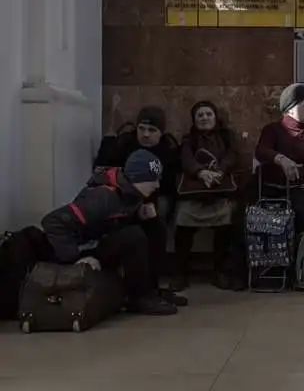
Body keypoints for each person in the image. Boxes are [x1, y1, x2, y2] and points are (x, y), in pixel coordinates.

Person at [40, 150, 178, 316]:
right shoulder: (102, 197)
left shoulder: (133, 192)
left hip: (102, 242)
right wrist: (76, 258)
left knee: (155, 229)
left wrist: (143, 217)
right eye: (152, 180)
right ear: (136, 178)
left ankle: (150, 290)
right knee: (134, 236)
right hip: (83, 251)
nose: (157, 185)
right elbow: (52, 221)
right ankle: (138, 298)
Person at [92, 106, 184, 306]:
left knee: (157, 230)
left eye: (151, 130)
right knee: (139, 234)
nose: (145, 134)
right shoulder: (124, 145)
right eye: (142, 128)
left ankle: (153, 287)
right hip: (121, 200)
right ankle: (139, 293)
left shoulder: (166, 151)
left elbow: (168, 186)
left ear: (161, 132)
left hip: (151, 199)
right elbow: (103, 173)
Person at [173, 101, 240, 291]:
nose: (204, 118)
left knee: (227, 219)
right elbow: (186, 159)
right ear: (194, 120)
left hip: (220, 189)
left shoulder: (226, 137)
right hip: (195, 191)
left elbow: (232, 155)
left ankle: (219, 270)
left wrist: (219, 171)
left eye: (208, 114)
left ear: (215, 117)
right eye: (200, 115)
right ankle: (180, 271)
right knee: (183, 220)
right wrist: (201, 172)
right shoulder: (189, 139)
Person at [255, 84, 304, 235]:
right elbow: (261, 151)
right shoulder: (273, 130)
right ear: (290, 108)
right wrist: (281, 159)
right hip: (277, 192)